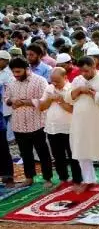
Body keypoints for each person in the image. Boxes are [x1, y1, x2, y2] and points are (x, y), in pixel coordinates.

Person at [67, 56, 99, 189]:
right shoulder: (77, 80)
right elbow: (68, 98)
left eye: (87, 71)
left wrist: (92, 93)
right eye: (81, 71)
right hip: (80, 122)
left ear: (94, 67)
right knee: (81, 151)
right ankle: (89, 180)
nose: (84, 74)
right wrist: (78, 90)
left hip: (98, 122)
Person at [6, 58, 53, 187]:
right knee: (25, 153)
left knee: (42, 152)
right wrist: (12, 100)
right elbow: (6, 99)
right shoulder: (11, 81)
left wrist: (24, 102)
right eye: (14, 72)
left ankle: (47, 178)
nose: (16, 75)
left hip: (37, 123)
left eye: (18, 72)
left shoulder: (40, 81)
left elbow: (44, 101)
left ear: (27, 69)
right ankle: (29, 177)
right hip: (19, 123)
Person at [38, 67, 81, 186]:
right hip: (52, 128)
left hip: (69, 128)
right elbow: (41, 107)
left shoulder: (72, 88)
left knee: (74, 156)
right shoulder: (49, 88)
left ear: (65, 78)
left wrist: (61, 101)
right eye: (52, 80)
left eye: (57, 81)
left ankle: (77, 179)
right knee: (58, 156)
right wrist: (50, 99)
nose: (55, 83)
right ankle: (63, 178)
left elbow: (74, 109)